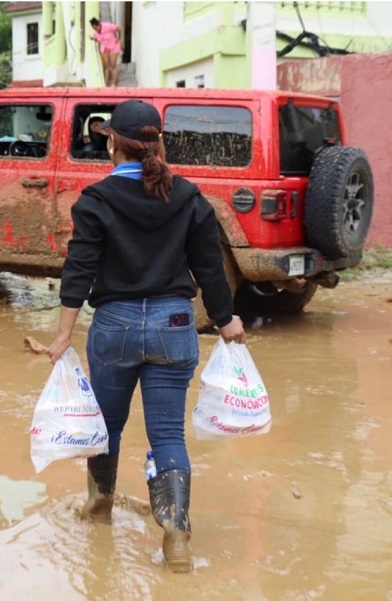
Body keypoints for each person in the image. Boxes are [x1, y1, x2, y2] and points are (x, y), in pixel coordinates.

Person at [46, 99, 246, 573]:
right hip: (174, 326)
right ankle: (176, 536)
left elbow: (79, 270)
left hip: (113, 327)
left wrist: (63, 336)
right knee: (168, 434)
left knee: (107, 427)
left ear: (112, 143)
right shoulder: (188, 197)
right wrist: (226, 321)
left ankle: (99, 507)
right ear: (158, 144)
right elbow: (210, 268)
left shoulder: (96, 200)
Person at [89, 17, 122, 87]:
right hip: (104, 47)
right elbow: (99, 40)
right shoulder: (95, 32)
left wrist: (119, 38)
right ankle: (105, 83)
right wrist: (93, 39)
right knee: (106, 66)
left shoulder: (107, 26)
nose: (95, 30)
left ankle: (114, 83)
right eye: (93, 28)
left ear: (99, 25)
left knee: (113, 65)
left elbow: (118, 28)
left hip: (113, 46)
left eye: (95, 28)